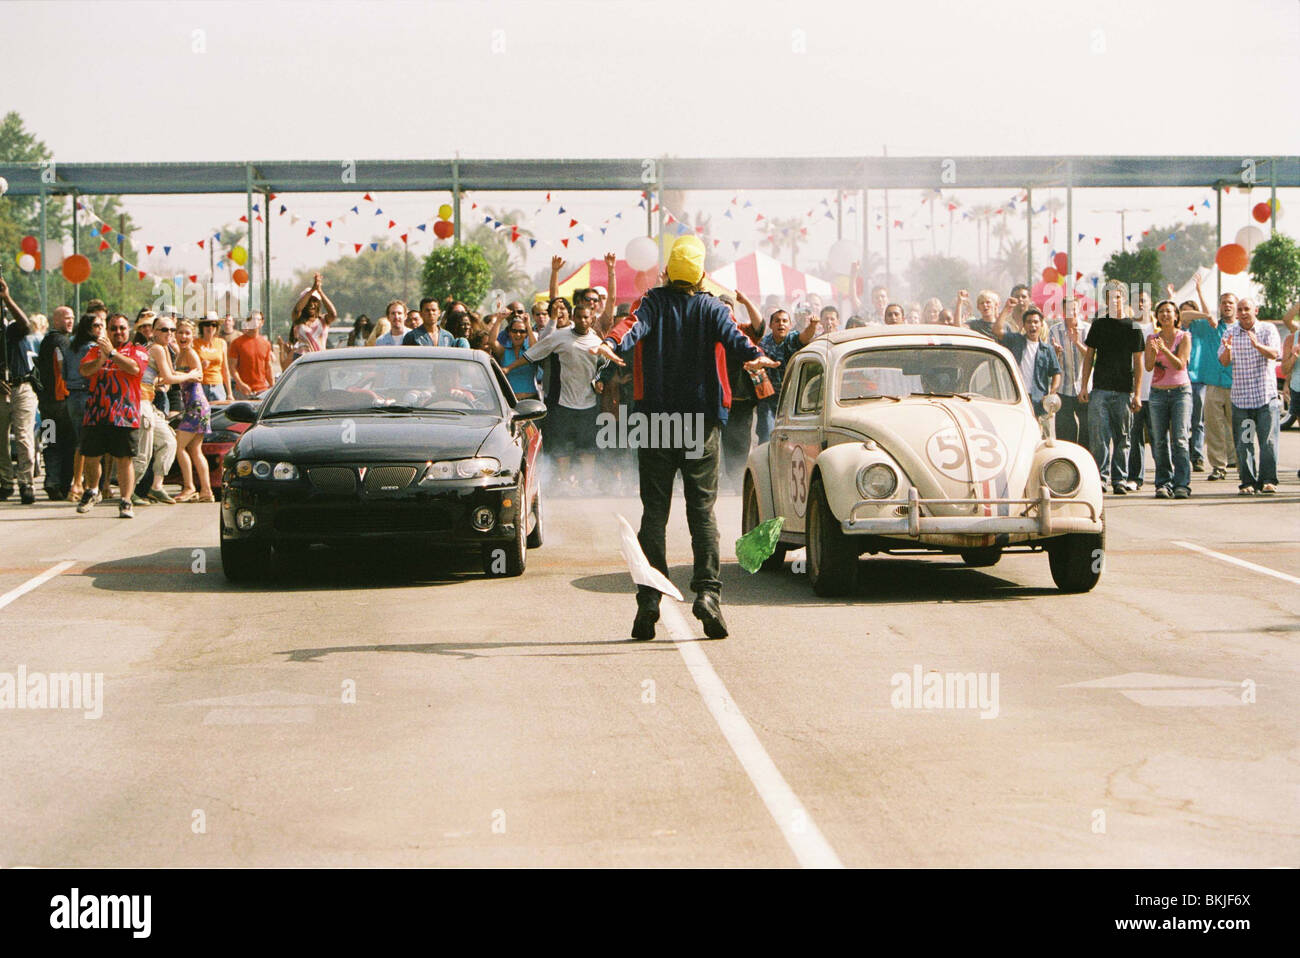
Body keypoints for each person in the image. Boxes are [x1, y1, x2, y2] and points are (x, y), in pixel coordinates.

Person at [593, 236, 777, 641]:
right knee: (702, 513)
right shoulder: (712, 307)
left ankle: (649, 600)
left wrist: (609, 343)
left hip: (656, 423)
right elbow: (735, 337)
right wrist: (753, 355)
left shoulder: (652, 302)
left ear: (668, 271)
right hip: (700, 424)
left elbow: (629, 325)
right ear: (702, 275)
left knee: (654, 514)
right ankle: (708, 595)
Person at [508, 303, 603, 490]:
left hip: (589, 402)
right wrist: (509, 368)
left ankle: (588, 482)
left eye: (586, 317)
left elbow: (606, 366)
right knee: (562, 446)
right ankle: (563, 481)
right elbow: (532, 354)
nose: (583, 321)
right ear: (573, 318)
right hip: (563, 402)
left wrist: (602, 381)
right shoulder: (559, 337)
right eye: (580, 317)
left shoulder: (597, 341)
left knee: (588, 447)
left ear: (592, 319)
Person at [75, 312, 149, 518]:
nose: (118, 332)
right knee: (90, 456)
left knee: (124, 459)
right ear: (107, 330)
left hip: (125, 414)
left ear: (129, 330)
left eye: (122, 328)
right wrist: (102, 357)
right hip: (96, 412)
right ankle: (92, 490)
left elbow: (134, 369)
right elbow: (84, 370)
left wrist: (113, 355)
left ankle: (126, 501)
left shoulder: (137, 350)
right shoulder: (95, 350)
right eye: (114, 328)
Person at [1079, 281, 1144, 495]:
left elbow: (1138, 362)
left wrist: (1137, 393)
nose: (1114, 301)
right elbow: (1089, 356)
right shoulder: (1099, 325)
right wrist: (1084, 386)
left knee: (1123, 437)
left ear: (1123, 299)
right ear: (1105, 300)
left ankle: (1120, 479)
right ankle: (1101, 478)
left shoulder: (1133, 326)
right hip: (1100, 389)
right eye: (1109, 297)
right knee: (1099, 437)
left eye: (1117, 297)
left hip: (1124, 390)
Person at [1218, 298, 1282, 494]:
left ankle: (1268, 480)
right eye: (1240, 310)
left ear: (1256, 310)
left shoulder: (1267, 329)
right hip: (1241, 399)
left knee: (1268, 441)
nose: (1244, 312)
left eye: (1247, 309)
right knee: (1244, 443)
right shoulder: (1230, 333)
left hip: (1265, 397)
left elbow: (1275, 353)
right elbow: (1223, 361)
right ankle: (1247, 482)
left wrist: (1258, 346)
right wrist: (1228, 351)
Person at [129, 315, 192, 506]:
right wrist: (192, 374)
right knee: (143, 451)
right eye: (164, 330)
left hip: (148, 402)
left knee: (168, 441)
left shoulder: (164, 349)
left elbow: (162, 378)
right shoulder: (156, 348)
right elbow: (169, 376)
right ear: (154, 332)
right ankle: (129, 493)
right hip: (140, 403)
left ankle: (156, 487)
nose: (170, 333)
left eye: (172, 330)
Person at [1183, 289, 1237, 481]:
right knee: (1214, 427)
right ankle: (1218, 466)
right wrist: (1206, 315)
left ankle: (1242, 464)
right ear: (1220, 306)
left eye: (1230, 302)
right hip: (1213, 383)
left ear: (1236, 306)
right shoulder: (1211, 326)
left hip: (1238, 385)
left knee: (1238, 427)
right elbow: (1184, 317)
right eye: (1224, 303)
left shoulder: (1243, 328)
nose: (1227, 306)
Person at [1144, 300, 1193, 499]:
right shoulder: (1151, 338)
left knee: (1180, 439)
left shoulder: (1184, 337)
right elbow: (1148, 366)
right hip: (1157, 393)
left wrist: (1164, 350)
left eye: (1169, 311)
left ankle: (1182, 483)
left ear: (1176, 316)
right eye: (1161, 311)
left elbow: (1180, 364)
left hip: (1180, 392)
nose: (1165, 315)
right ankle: (1163, 482)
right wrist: (1154, 351)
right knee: (1159, 441)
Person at [719, 289, 766, 491]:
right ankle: (718, 481)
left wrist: (746, 300)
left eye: (729, 310)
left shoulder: (741, 331)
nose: (725, 314)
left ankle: (738, 482)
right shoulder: (708, 332)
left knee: (738, 442)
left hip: (740, 399)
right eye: (721, 310)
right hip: (715, 398)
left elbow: (760, 326)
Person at [993, 305, 1061, 436]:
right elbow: (997, 330)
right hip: (1017, 398)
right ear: (1024, 325)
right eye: (1029, 322)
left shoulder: (1047, 349)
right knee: (1017, 434)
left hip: (1039, 401)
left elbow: (1056, 372)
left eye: (1036, 322)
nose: (1032, 325)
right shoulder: (1015, 340)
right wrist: (1007, 308)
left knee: (1043, 436)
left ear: (1041, 325)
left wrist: (1051, 394)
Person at [0, 276, 38, 504]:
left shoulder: (12, 330)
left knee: (23, 437)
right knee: (0, 439)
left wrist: (7, 297)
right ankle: (5, 481)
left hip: (21, 387)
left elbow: (26, 325)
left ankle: (26, 482)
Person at [757, 307, 819, 442]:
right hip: (768, 398)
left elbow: (805, 337)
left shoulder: (792, 338)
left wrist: (812, 325)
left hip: (791, 399)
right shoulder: (764, 343)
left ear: (790, 325)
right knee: (766, 435)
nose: (781, 324)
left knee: (791, 438)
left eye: (785, 321)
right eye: (777, 321)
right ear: (770, 325)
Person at [34, 306, 76, 500]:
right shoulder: (61, 340)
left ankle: (51, 480)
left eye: (72, 318)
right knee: (68, 444)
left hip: (46, 406)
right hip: (62, 404)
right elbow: (62, 363)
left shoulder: (45, 341)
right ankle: (63, 484)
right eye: (66, 318)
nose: (70, 321)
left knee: (50, 442)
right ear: (56, 320)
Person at [171, 320, 214, 503]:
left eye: (187, 333)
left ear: (193, 335)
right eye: (180, 332)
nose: (183, 336)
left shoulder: (190, 353)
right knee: (195, 449)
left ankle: (189, 487)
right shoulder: (180, 354)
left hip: (196, 405)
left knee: (178, 446)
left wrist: (175, 377)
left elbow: (199, 376)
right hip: (193, 405)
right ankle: (206, 491)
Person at [65, 312, 103, 502]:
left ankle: (81, 482)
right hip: (87, 394)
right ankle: (79, 483)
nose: (100, 328)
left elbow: (64, 371)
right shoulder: (92, 347)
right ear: (89, 328)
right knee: (87, 441)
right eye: (96, 325)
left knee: (80, 440)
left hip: (72, 395)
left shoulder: (71, 345)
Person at [1047, 296, 1091, 446]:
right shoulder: (1054, 330)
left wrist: (1077, 342)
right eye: (1068, 309)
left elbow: (1092, 356)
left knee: (1087, 431)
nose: (1071, 312)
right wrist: (1055, 352)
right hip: (1063, 389)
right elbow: (1050, 360)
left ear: (1079, 310)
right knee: (1065, 433)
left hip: (1084, 387)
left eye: (1074, 308)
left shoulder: (1087, 329)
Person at [228, 312, 273, 399]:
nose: (255, 322)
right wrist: (240, 384)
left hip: (262, 391)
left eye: (258, 319)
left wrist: (272, 386)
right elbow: (232, 367)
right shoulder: (237, 343)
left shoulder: (266, 344)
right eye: (252, 319)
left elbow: (268, 367)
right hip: (243, 391)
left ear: (262, 323)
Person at [196, 313, 233, 402]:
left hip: (218, 386)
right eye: (207, 324)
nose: (210, 327)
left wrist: (229, 393)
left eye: (214, 325)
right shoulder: (195, 343)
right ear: (202, 327)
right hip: (201, 385)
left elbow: (225, 369)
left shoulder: (221, 343)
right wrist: (200, 366)